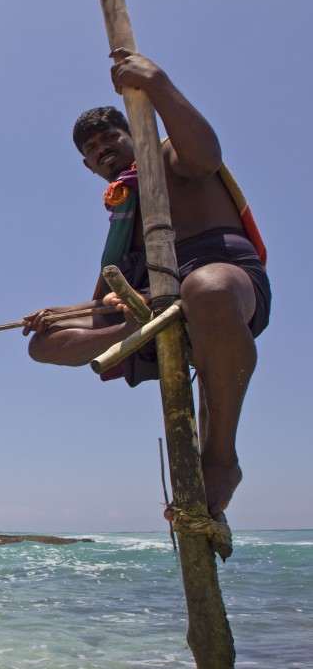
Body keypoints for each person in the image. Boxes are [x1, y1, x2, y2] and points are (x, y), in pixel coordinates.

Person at [22, 49, 271, 521]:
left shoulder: (171, 155)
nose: (101, 150)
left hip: (222, 288)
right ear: (87, 166)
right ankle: (152, 326)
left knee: (208, 288)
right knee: (43, 342)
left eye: (109, 138)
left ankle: (221, 458)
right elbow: (98, 307)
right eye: (91, 150)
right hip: (149, 312)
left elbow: (207, 156)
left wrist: (156, 82)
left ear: (133, 132)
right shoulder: (122, 215)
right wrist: (58, 314)